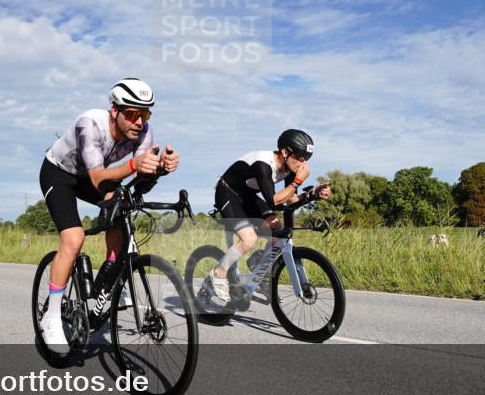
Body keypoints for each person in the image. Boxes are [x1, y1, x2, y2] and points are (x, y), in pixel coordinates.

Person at [39, 78, 180, 352]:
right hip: (60, 174)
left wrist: (159, 168)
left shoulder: (144, 133)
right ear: (114, 111)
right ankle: (52, 317)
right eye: (132, 114)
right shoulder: (90, 124)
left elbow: (138, 180)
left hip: (98, 175)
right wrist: (133, 164)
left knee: (122, 208)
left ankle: (108, 279)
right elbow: (97, 179)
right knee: (74, 238)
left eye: (145, 114)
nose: (139, 121)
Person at [205, 129, 331, 311]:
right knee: (249, 239)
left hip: (248, 196)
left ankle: (260, 270)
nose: (304, 164)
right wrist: (297, 182)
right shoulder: (263, 164)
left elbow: (290, 200)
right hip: (228, 193)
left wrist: (313, 195)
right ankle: (219, 272)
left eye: (307, 159)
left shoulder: (289, 169)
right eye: (301, 158)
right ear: (285, 152)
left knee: (276, 230)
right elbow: (274, 201)